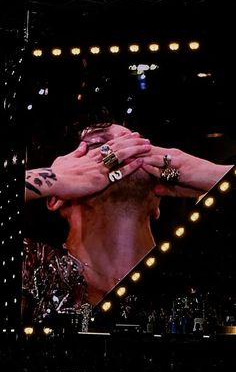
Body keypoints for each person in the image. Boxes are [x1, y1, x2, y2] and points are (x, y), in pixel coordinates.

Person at [22, 121, 234, 326]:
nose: (123, 152)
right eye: (98, 146)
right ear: (57, 197)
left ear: (157, 202)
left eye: (139, 146)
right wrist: (51, 179)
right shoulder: (28, 267)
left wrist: (218, 176)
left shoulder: (207, 274)